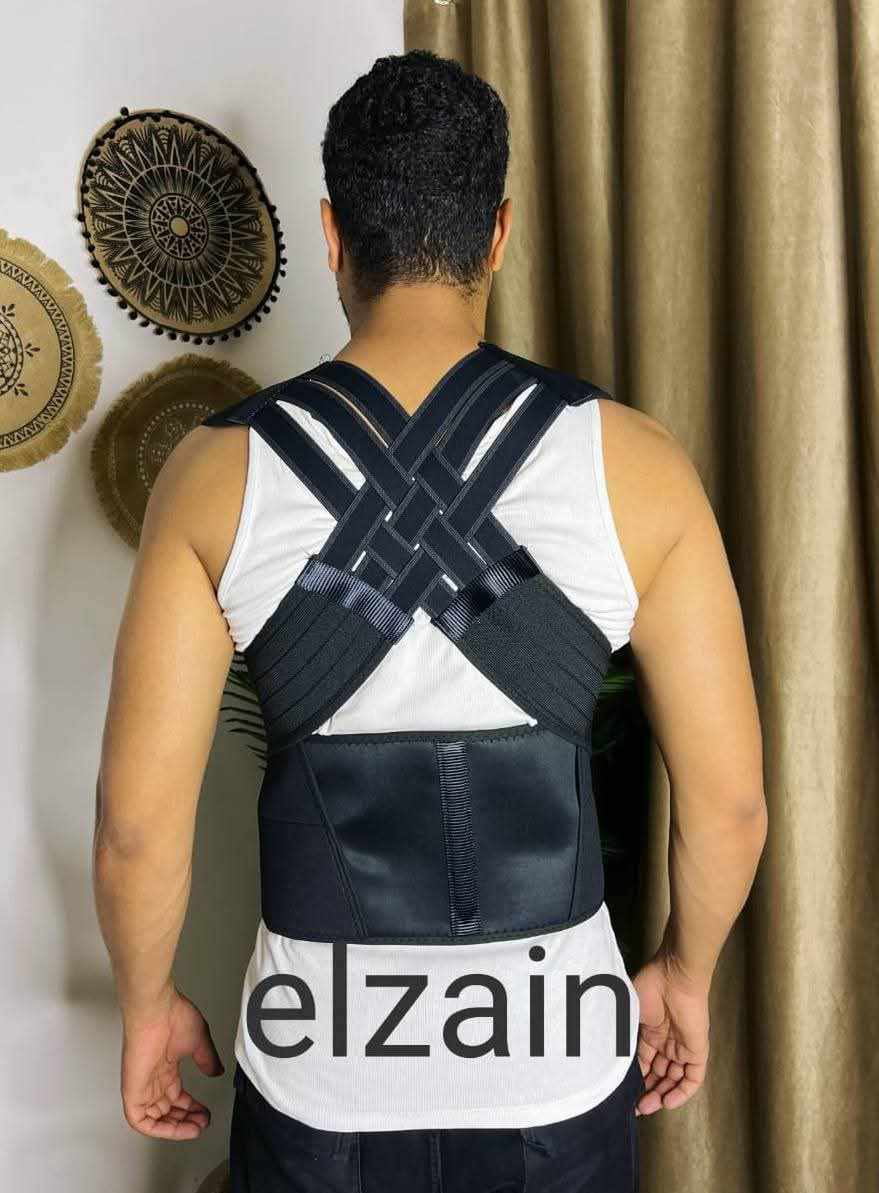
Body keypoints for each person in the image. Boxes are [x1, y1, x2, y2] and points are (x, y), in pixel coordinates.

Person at [92, 49, 768, 1193]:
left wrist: (148, 1004)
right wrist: (686, 974)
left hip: (323, 1075)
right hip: (557, 1065)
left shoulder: (215, 475)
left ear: (332, 233)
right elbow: (733, 802)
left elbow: (136, 829)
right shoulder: (640, 466)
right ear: (497, 232)